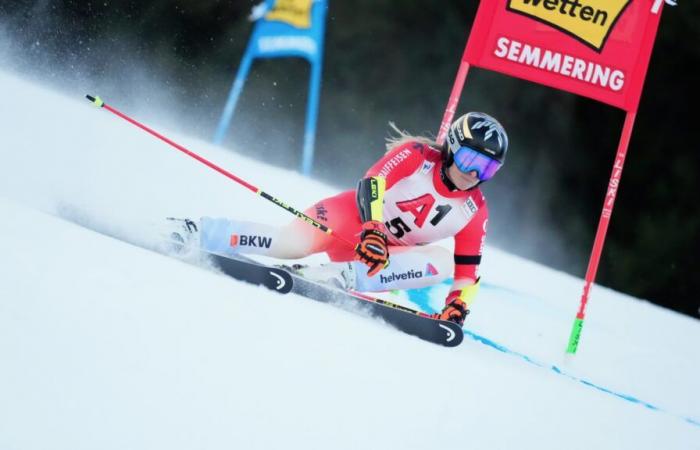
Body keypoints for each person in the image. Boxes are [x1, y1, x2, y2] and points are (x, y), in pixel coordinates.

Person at [169, 112, 508, 326]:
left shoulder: (474, 210)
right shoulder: (417, 157)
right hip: (350, 221)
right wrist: (373, 229)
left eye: (488, 168)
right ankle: (198, 231)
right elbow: (372, 182)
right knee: (290, 243)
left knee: (442, 261)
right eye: (468, 159)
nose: (474, 173)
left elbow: (468, 273)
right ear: (451, 148)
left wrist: (457, 306)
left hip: (383, 258)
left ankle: (336, 276)